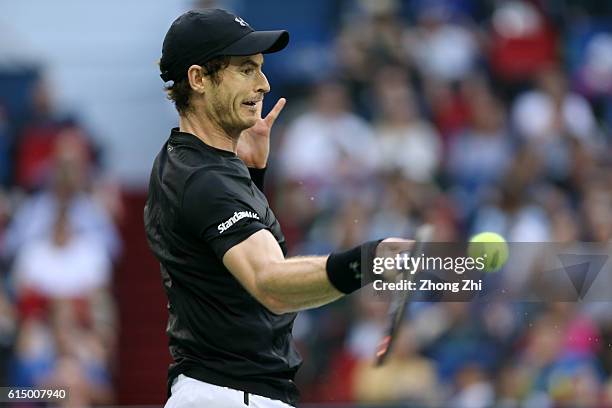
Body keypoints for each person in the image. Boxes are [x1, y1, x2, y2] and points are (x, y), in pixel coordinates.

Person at [144, 9, 408, 408]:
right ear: (198, 79)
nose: (264, 84)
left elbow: (227, 279)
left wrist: (251, 176)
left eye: (261, 69)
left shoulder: (188, 162)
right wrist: (365, 262)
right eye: (246, 69)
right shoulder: (205, 179)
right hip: (231, 396)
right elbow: (269, 284)